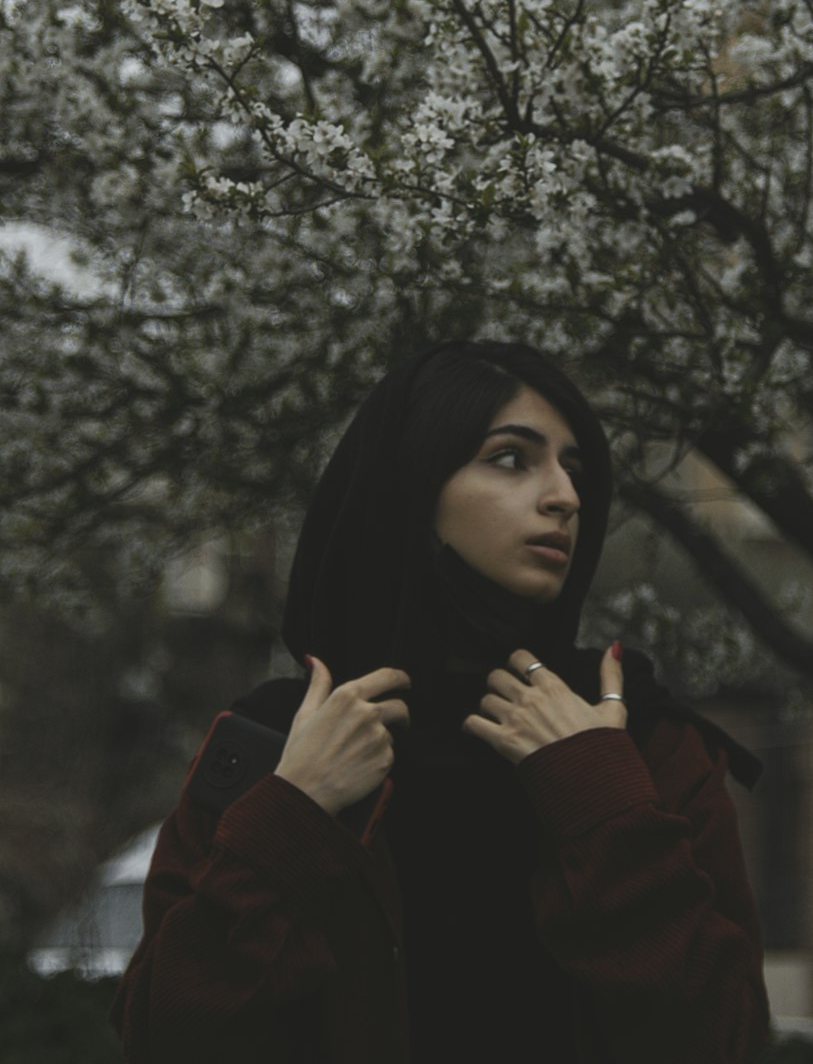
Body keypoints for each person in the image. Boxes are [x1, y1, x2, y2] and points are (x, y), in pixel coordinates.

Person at [111, 340, 770, 1064]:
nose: (566, 497)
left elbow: (726, 1038)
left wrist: (598, 797)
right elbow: (162, 1035)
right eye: (512, 459)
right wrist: (291, 815)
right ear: (412, 489)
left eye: (574, 469)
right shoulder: (278, 741)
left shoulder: (635, 741)